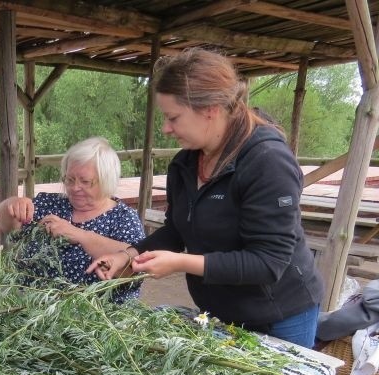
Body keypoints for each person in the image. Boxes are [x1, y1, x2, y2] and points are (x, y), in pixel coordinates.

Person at [87, 49, 323, 348]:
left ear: (210, 109)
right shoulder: (185, 163)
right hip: (219, 309)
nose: (166, 128)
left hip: (278, 314)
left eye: (173, 117)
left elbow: (269, 262)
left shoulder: (267, 162)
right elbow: (176, 230)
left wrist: (182, 262)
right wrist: (128, 255)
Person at [0, 136, 145, 301]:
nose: (75, 188)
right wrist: (12, 205)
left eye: (85, 181)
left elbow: (135, 267)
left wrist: (79, 235)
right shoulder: (50, 204)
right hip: (31, 308)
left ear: (106, 180)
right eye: (70, 179)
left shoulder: (123, 219)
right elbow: (7, 225)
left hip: (94, 318)